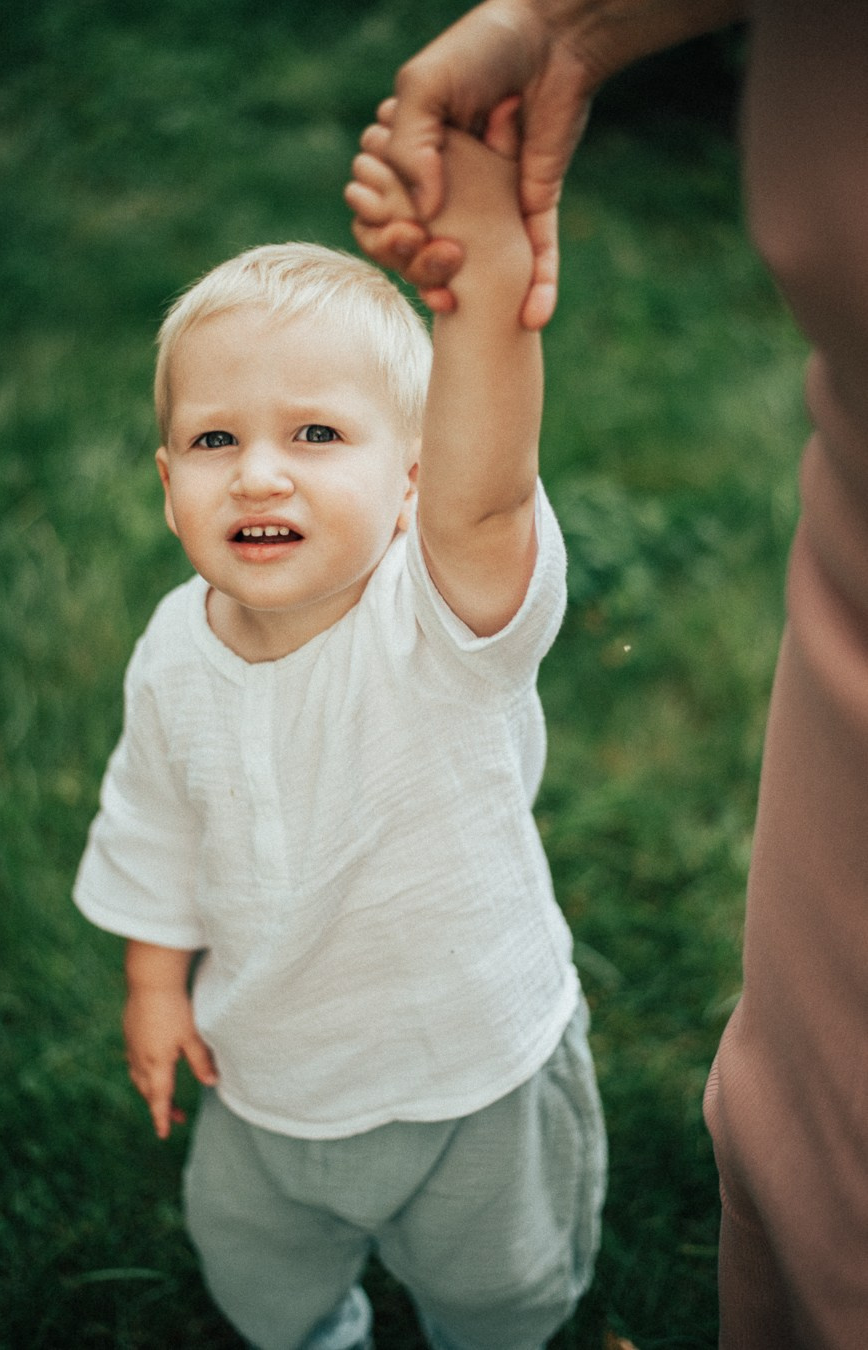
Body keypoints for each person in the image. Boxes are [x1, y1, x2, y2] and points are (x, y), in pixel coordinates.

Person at [346, 2, 868, 1348]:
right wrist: (568, 25)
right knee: (816, 1170)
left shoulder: (437, 594)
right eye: (218, 436)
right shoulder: (190, 659)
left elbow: (471, 532)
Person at [73, 111, 606, 1350]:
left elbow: (490, 495)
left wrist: (482, 297)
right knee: (262, 1275)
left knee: (498, 1293)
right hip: (266, 1071)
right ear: (167, 485)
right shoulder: (172, 649)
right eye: (216, 441)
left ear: (412, 479)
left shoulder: (439, 622)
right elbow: (152, 814)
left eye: (315, 434)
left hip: (472, 1068)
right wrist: (157, 981)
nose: (259, 474)